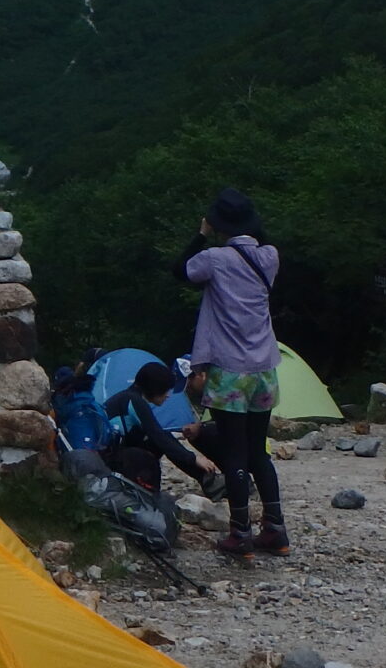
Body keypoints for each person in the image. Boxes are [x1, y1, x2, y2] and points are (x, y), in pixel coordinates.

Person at [177, 188, 286, 556]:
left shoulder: (214, 259)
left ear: (219, 223)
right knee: (259, 453)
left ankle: (240, 534)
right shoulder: (269, 256)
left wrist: (202, 234)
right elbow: (260, 242)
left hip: (229, 370)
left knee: (234, 453)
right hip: (264, 369)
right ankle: (275, 531)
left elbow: (180, 270)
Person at [104, 361, 226, 498]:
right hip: (112, 459)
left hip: (114, 452)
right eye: (165, 390)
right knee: (161, 440)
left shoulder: (129, 397)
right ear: (154, 388)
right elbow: (157, 435)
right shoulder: (134, 401)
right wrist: (194, 459)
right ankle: (210, 481)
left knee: (163, 438)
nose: (167, 395)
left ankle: (208, 480)